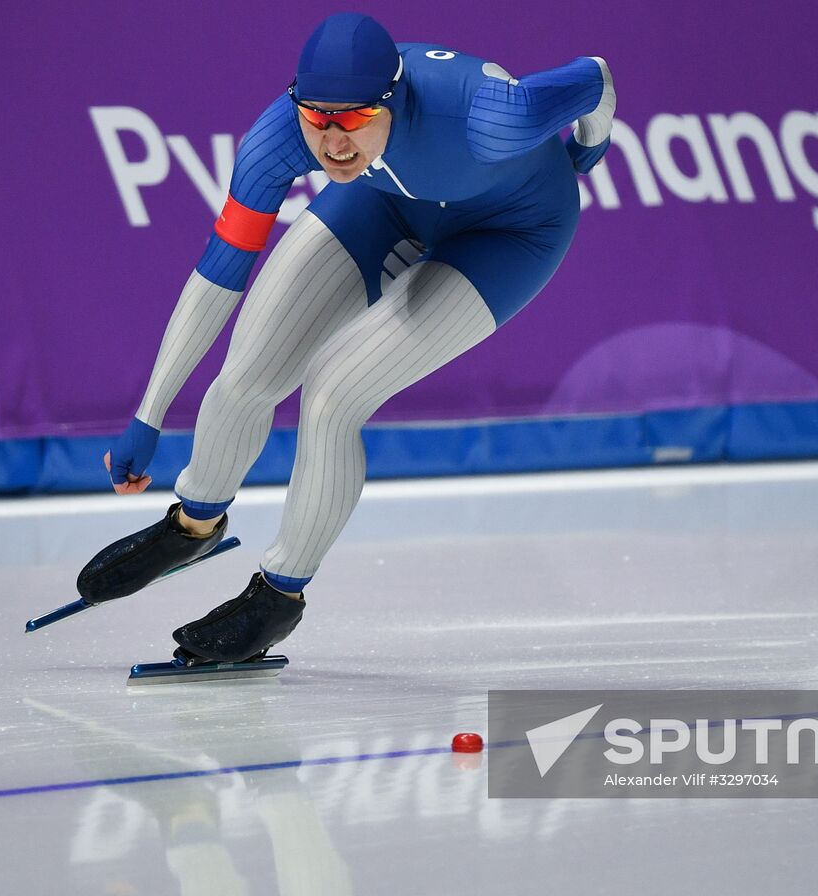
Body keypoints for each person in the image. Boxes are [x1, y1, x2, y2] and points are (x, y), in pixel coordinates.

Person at [77, 12, 616, 666]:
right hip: (385, 199)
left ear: (394, 101)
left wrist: (589, 147)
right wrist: (149, 414)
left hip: (509, 231)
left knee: (332, 393)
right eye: (318, 116)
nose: (333, 141)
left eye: (355, 119)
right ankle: (193, 522)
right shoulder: (280, 138)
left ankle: (278, 595)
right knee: (250, 370)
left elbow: (595, 78)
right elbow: (219, 274)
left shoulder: (488, 117)